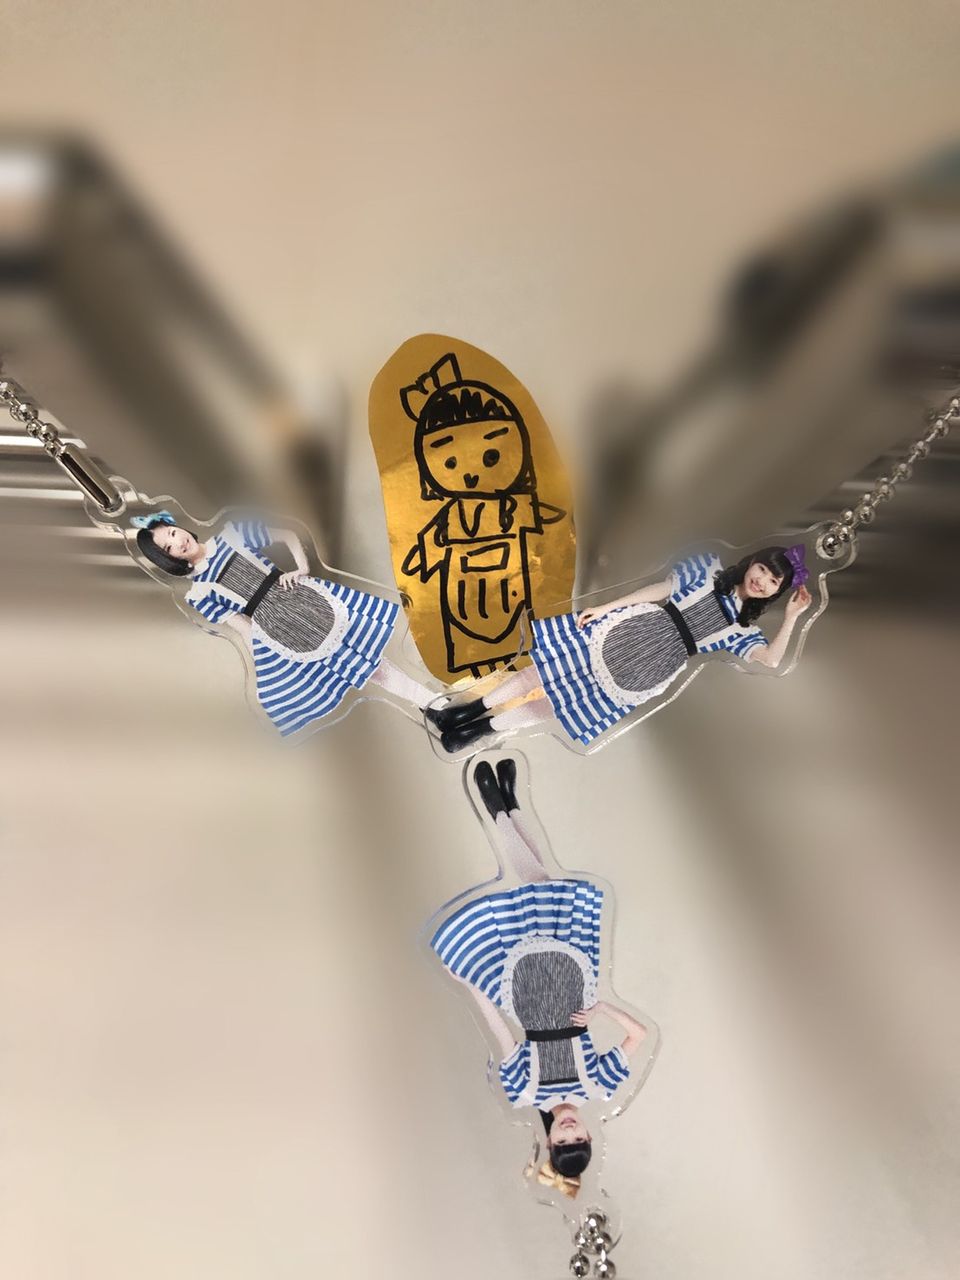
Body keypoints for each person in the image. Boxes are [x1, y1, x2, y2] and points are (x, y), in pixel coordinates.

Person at [430, 758, 651, 1189]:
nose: (569, 1131)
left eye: (562, 1141)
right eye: (577, 1138)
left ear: (549, 1141)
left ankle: (505, 807)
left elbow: (502, 1034)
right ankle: (503, 807)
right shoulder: (599, 1085)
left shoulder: (524, 1091)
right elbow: (638, 1036)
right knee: (544, 882)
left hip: (523, 986)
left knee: (541, 882)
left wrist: (470, 983)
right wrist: (601, 1009)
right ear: (588, 1134)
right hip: (571, 981)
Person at [428, 545, 813, 751]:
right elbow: (659, 590)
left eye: (773, 581)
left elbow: (771, 660)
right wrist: (605, 608)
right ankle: (469, 710)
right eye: (763, 569)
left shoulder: (742, 629)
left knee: (561, 702)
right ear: (753, 562)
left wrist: (793, 618)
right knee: (543, 670)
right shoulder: (707, 571)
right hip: (631, 626)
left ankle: (479, 731)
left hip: (654, 665)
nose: (762, 580)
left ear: (776, 592)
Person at [132, 510, 438, 737]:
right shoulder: (199, 594)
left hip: (304, 599)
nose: (178, 541)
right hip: (279, 631)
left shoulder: (231, 535)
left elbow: (286, 535)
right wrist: (270, 663)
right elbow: (243, 627)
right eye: (168, 548)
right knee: (363, 669)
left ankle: (433, 705)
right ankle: (433, 707)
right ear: (169, 560)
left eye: (171, 533)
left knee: (369, 661)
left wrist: (301, 569)